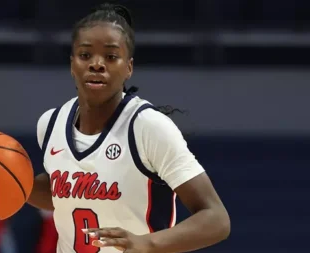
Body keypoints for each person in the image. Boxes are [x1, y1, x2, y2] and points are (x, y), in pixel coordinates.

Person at [27, 3, 230, 253]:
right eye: (85, 55)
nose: (97, 64)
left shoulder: (148, 127)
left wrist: (148, 243)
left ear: (129, 68)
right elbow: (64, 196)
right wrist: (14, 185)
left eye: (111, 57)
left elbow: (217, 218)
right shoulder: (50, 124)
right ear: (72, 64)